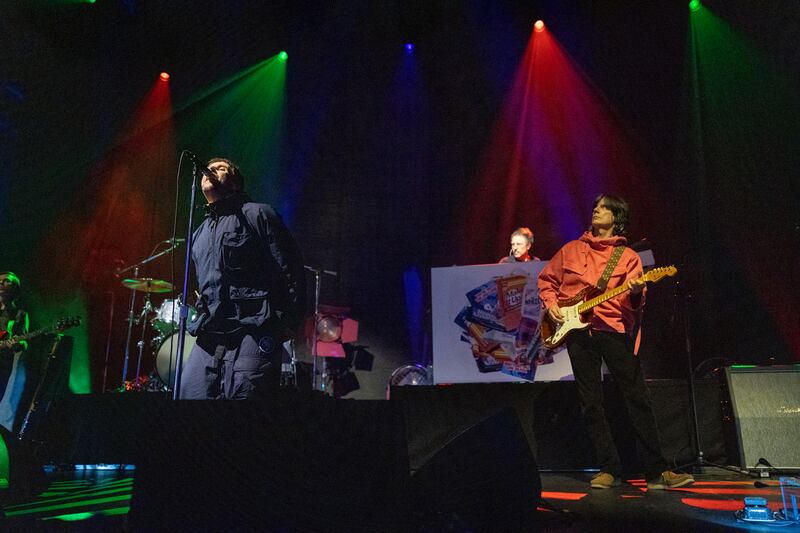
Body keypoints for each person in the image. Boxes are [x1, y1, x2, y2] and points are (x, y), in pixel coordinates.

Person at [537, 195, 693, 490]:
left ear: (617, 217)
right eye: (596, 206)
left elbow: (636, 302)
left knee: (637, 397)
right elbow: (546, 280)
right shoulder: (570, 249)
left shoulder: (628, 258)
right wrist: (551, 304)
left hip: (612, 329)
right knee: (591, 401)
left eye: (605, 207)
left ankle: (657, 472)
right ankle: (607, 468)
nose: (597, 209)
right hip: (578, 332)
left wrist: (635, 291)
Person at [179, 158, 306, 400]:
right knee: (189, 394)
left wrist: (290, 319)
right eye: (209, 169)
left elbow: (290, 267)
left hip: (255, 327)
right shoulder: (199, 232)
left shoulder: (258, 214)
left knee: (244, 403)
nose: (211, 171)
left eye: (220, 168)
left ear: (236, 183)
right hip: (212, 332)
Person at [0, 271, 30, 432]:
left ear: (15, 289)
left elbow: (23, 342)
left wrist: (17, 344)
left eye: (7, 281)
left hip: (2, 366)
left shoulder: (20, 314)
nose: (1, 283)